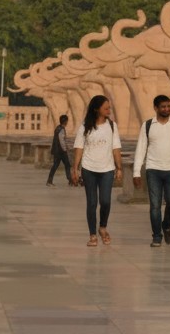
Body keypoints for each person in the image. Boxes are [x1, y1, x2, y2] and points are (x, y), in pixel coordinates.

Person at [132, 94, 170, 248]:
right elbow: (141, 149)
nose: (166, 109)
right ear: (156, 108)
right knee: (155, 205)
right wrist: (136, 172)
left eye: (168, 106)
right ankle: (157, 236)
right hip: (153, 170)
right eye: (163, 107)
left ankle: (166, 225)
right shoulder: (148, 125)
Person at [71, 95, 122, 247]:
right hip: (89, 169)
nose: (109, 110)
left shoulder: (112, 126)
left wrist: (119, 168)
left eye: (109, 107)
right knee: (92, 203)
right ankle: (92, 235)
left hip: (107, 169)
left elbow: (116, 148)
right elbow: (79, 148)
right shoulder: (85, 127)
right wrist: (75, 168)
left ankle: (103, 227)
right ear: (96, 109)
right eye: (106, 108)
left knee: (105, 201)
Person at [46, 114, 71, 187]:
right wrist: (65, 149)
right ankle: (70, 179)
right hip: (61, 151)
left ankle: (49, 181)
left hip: (56, 151)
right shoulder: (62, 129)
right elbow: (61, 140)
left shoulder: (57, 128)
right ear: (65, 121)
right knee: (67, 165)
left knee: (55, 166)